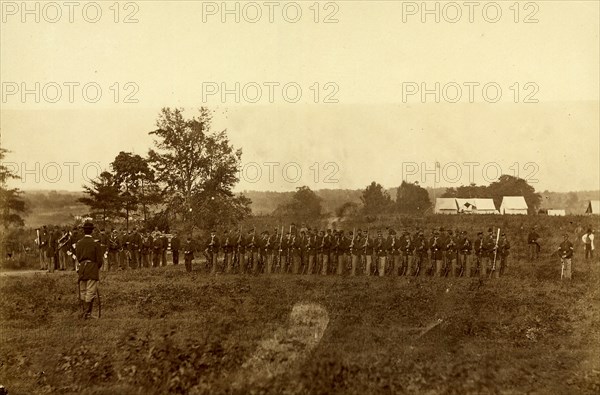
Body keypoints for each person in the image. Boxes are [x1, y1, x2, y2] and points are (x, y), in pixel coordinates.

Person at [75, 220, 104, 319]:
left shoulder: (79, 243)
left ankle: (85, 313)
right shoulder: (95, 244)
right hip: (92, 268)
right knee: (90, 291)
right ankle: (86, 314)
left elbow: (78, 258)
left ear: (84, 231)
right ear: (92, 231)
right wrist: (96, 267)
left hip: (82, 269)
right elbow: (99, 261)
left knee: (83, 291)